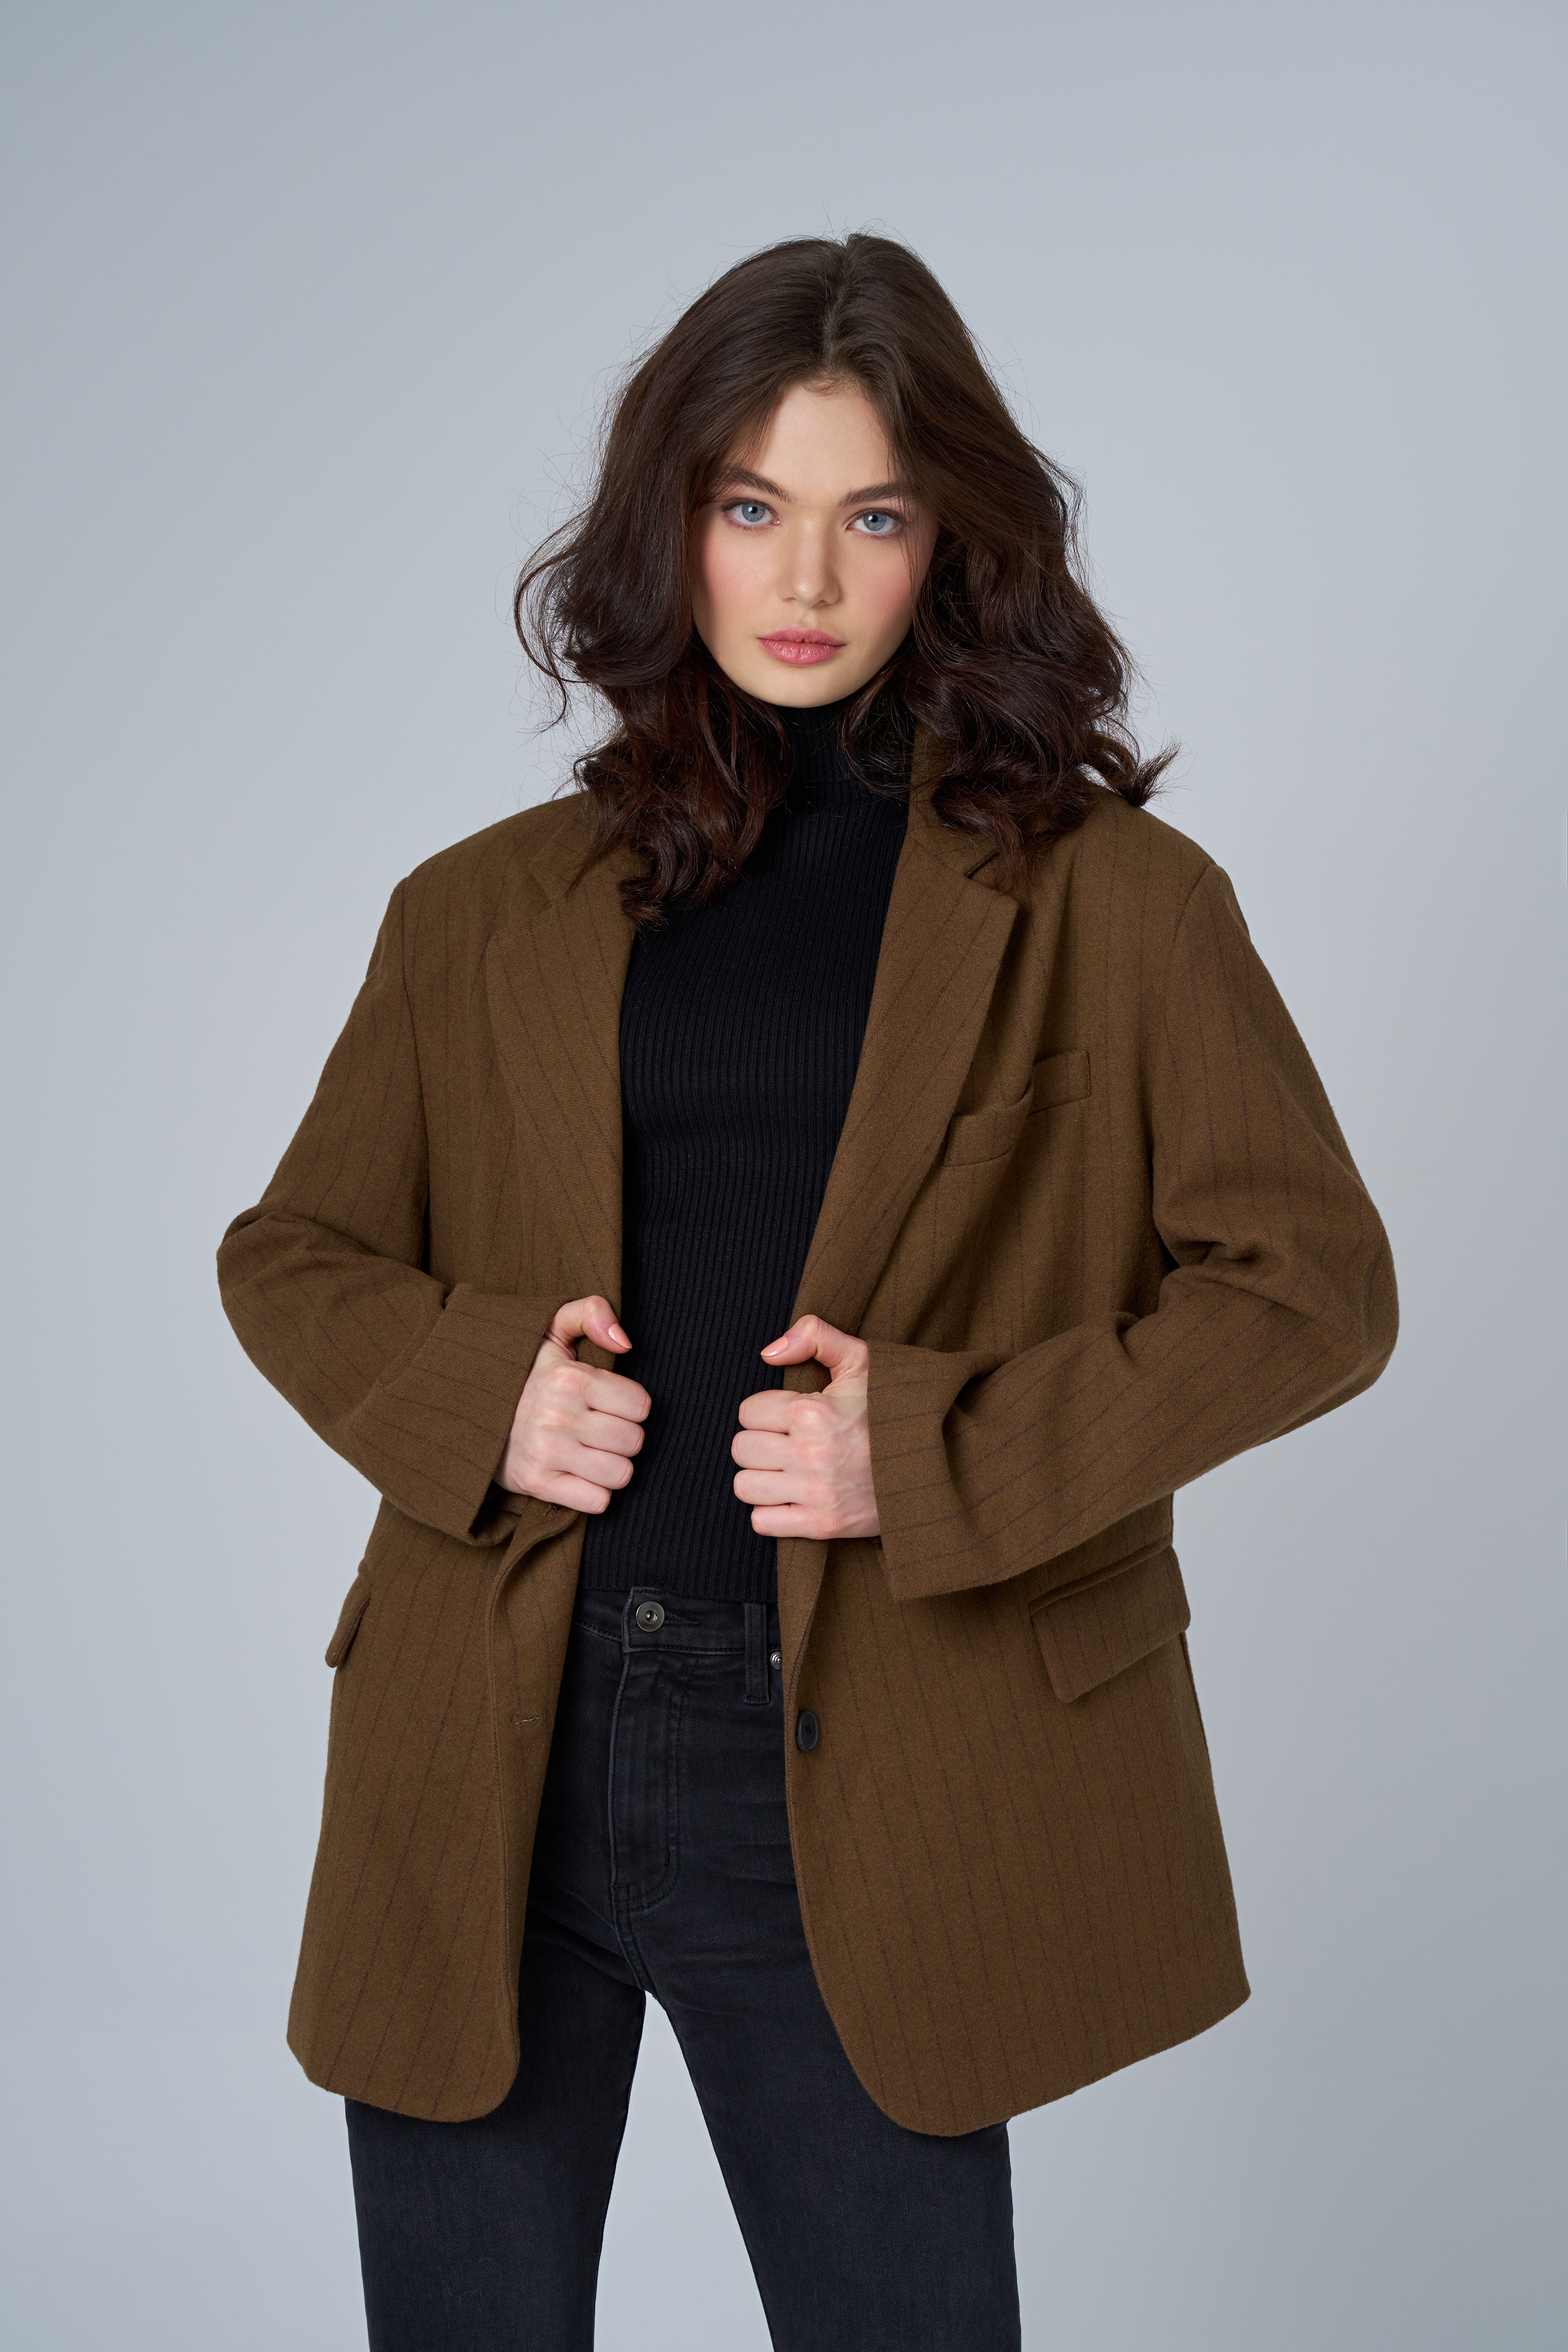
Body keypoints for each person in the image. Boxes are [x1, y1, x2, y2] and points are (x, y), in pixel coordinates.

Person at [217, 232, 1398, 2350]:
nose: (806, 577)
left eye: (873, 515)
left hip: (864, 1744)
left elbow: (1310, 1290)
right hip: (490, 1752)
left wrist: (931, 1453)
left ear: (952, 539)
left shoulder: (1115, 905)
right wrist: (480, 1391)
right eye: (752, 505)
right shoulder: (479, 910)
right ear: (669, 519)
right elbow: (292, 1251)